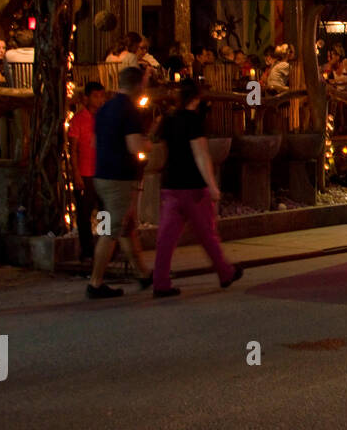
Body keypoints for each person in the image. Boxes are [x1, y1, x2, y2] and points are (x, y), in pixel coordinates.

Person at [150, 79, 242, 298]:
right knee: (207, 234)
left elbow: (158, 143)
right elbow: (201, 154)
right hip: (193, 187)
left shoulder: (169, 119)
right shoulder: (193, 121)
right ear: (197, 98)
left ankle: (160, 281)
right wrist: (212, 185)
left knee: (166, 238)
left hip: (171, 185)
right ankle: (225, 271)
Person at [87, 66, 152, 298]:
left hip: (101, 175)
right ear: (138, 85)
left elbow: (94, 142)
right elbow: (135, 147)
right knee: (112, 231)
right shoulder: (129, 111)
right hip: (118, 178)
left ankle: (143, 274)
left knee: (124, 227)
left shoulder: (104, 109)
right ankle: (95, 282)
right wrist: (147, 144)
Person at [68, 81, 106, 264]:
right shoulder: (78, 120)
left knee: (105, 211)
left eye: (101, 96)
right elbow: (73, 149)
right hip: (85, 173)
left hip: (102, 172)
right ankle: (88, 250)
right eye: (96, 96)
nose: (99, 100)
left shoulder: (104, 118)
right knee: (84, 215)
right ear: (86, 98)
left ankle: (106, 246)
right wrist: (76, 174)